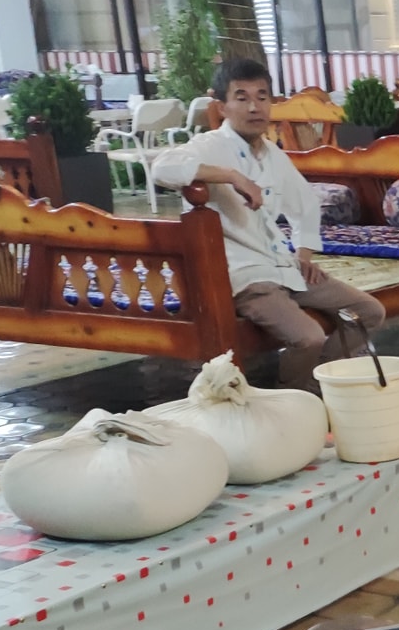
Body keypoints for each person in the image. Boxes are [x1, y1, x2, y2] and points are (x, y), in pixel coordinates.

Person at [150, 59, 384, 390]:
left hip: (284, 268)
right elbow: (162, 168)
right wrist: (232, 176)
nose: (254, 107)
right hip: (247, 277)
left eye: (262, 97)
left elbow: (306, 204)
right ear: (222, 106)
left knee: (369, 312)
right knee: (308, 336)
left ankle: (320, 381)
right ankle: (293, 398)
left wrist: (304, 254)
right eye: (242, 97)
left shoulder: (273, 154)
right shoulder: (209, 146)